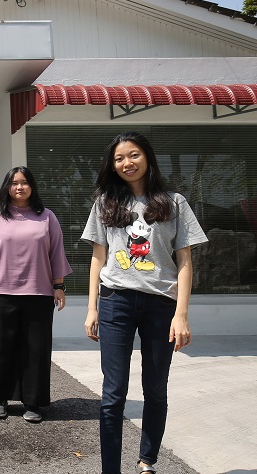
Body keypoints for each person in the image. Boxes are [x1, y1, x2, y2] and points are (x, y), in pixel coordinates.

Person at [81, 132, 207, 474]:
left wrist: (181, 315)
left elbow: (184, 262)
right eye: (120, 158)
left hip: (160, 305)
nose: (127, 163)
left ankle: (147, 460)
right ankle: (111, 468)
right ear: (113, 164)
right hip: (115, 302)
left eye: (133, 155)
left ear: (147, 158)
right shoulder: (106, 202)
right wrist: (92, 307)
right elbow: (97, 258)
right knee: (113, 392)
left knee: (155, 388)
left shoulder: (174, 202)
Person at [0, 166, 72, 423]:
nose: (19, 187)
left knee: (35, 350)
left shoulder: (47, 217)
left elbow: (56, 253)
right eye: (14, 183)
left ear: (32, 187)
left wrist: (58, 286)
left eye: (24, 182)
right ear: (7, 187)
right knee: (0, 348)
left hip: (38, 293)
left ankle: (33, 401)